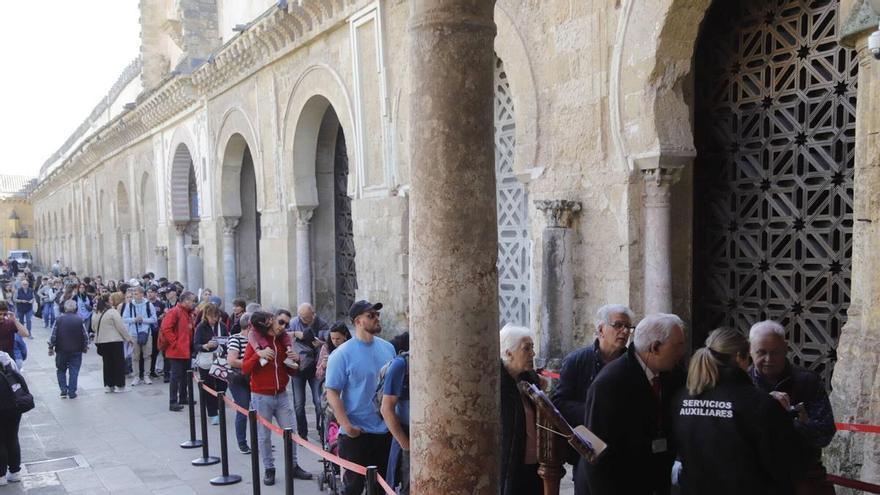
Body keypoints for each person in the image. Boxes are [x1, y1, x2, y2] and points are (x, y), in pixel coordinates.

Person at [673, 328, 803, 494]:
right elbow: (784, 464)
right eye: (748, 358)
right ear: (739, 357)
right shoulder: (759, 404)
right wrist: (784, 417)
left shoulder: (681, 398)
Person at [578, 313, 687, 495]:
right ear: (655, 348)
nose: (681, 352)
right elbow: (595, 451)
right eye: (677, 346)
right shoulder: (610, 383)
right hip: (619, 485)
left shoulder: (673, 375)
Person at [749, 321, 836, 495]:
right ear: (750, 350)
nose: (768, 359)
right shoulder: (742, 383)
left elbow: (825, 434)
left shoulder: (807, 381)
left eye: (775, 352)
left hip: (801, 477)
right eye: (761, 352)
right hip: (755, 478)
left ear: (785, 349)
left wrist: (791, 418)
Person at [325, 300, 396, 495]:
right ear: (358, 321)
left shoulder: (388, 348)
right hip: (356, 434)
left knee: (382, 488)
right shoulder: (341, 354)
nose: (376, 318)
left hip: (384, 432)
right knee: (353, 489)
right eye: (371, 315)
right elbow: (332, 392)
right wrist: (347, 426)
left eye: (377, 315)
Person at [242, 311, 313, 485]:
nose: (283, 327)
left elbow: (290, 371)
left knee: (290, 432)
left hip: (281, 395)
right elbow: (245, 368)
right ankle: (269, 468)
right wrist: (258, 355)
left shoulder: (282, 342)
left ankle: (293, 466)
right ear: (270, 322)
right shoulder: (257, 342)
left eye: (286, 324)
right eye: (280, 322)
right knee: (264, 436)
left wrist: (296, 361)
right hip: (261, 396)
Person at [553, 304, 634, 429]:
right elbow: (559, 403)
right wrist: (594, 412)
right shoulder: (576, 360)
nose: (625, 331)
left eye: (628, 327)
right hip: (585, 434)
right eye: (618, 325)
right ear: (601, 330)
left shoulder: (632, 364)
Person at [499, 324, 543, 495]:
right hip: (510, 465)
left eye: (532, 347)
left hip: (536, 464)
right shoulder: (497, 383)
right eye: (526, 348)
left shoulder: (531, 379)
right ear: (509, 353)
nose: (533, 353)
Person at [289, 303, 329, 440]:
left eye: (306, 317)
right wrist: (295, 333)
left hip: (315, 368)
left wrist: (321, 343)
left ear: (313, 313)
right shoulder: (294, 322)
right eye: (301, 317)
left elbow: (330, 340)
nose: (303, 320)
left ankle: (321, 430)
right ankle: (302, 434)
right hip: (298, 368)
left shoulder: (321, 323)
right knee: (299, 404)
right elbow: (282, 335)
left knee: (319, 402)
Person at [160, 291, 197, 412]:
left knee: (185, 375)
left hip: (186, 349)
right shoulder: (175, 311)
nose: (194, 303)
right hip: (176, 350)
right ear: (185, 301)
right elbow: (166, 328)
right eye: (192, 301)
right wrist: (175, 343)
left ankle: (183, 397)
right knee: (175, 376)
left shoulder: (187, 313)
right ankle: (173, 401)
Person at [193, 303, 228, 424]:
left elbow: (227, 340)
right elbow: (196, 345)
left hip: (220, 359)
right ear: (206, 316)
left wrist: (223, 343)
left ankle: (220, 407)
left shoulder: (222, 326)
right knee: (209, 386)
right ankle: (213, 413)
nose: (214, 319)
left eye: (216, 317)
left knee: (222, 384)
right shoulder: (201, 327)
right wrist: (206, 346)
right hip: (206, 361)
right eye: (212, 317)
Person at [92, 294, 133, 393]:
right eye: (110, 299)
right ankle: (120, 385)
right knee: (118, 363)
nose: (112, 300)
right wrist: (128, 338)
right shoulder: (113, 312)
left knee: (107, 364)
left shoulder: (96, 313)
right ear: (107, 301)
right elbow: (120, 326)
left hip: (102, 341)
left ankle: (109, 385)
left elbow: (93, 327)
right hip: (114, 341)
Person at [48, 300, 89, 399]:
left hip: (61, 349)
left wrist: (51, 347)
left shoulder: (59, 319)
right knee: (74, 371)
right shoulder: (79, 320)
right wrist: (85, 346)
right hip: (76, 350)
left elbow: (53, 335)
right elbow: (85, 336)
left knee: (61, 370)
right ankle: (72, 392)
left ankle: (63, 390)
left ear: (65, 308)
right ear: (75, 308)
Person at [226, 311, 253, 454]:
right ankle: (242, 442)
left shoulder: (257, 339)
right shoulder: (235, 339)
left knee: (259, 410)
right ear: (249, 326)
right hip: (239, 380)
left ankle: (259, 440)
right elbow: (232, 360)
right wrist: (252, 363)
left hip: (254, 379)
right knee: (243, 410)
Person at [122, 286, 157, 385]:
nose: (134, 296)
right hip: (134, 334)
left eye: (136, 294)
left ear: (142, 294)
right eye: (133, 294)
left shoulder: (149, 305)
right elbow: (124, 319)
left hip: (146, 333)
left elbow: (154, 319)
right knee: (135, 356)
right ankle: (136, 376)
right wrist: (134, 319)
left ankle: (146, 375)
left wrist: (143, 320)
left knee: (147, 355)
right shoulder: (129, 305)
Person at [0, 352, 23, 485]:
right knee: (12, 437)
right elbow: (18, 377)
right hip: (14, 405)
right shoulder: (6, 357)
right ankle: (15, 472)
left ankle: (1, 476)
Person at [146, 287, 167, 379]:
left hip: (158, 330)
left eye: (151, 292)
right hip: (147, 330)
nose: (150, 294)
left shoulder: (160, 304)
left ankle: (152, 370)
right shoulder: (145, 304)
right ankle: (145, 371)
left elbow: (165, 314)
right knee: (147, 352)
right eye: (148, 292)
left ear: (156, 293)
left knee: (155, 351)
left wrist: (162, 316)